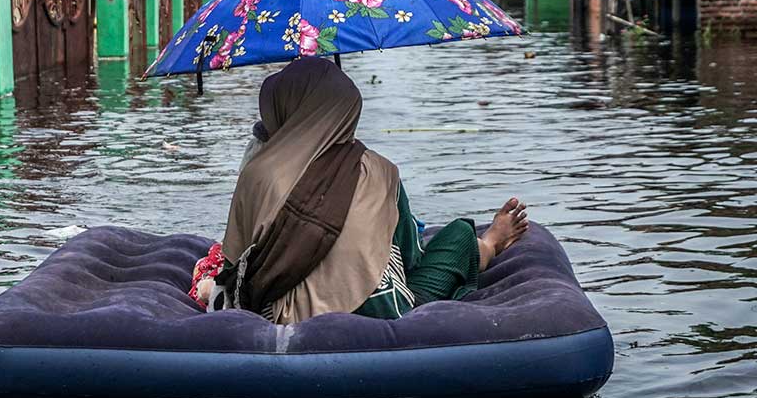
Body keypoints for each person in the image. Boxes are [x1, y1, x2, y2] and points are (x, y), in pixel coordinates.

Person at [193, 56, 528, 324]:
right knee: (457, 235)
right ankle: (487, 246)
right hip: (380, 313)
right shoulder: (380, 171)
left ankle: (485, 246)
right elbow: (410, 259)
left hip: (280, 316)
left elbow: (236, 263)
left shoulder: (257, 173)